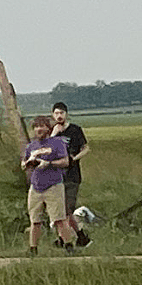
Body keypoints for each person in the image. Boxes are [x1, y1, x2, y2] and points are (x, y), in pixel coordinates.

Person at [21, 115, 77, 256]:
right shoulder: (31, 146)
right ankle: (33, 249)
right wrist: (27, 164)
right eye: (36, 127)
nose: (38, 129)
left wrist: (49, 163)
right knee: (35, 220)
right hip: (35, 187)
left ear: (48, 128)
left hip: (53, 186)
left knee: (59, 219)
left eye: (41, 126)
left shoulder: (57, 143)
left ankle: (69, 246)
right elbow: (23, 162)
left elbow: (65, 161)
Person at [50, 102, 92, 248]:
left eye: (61, 113)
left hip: (72, 176)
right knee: (59, 211)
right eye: (56, 113)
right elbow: (46, 149)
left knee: (67, 209)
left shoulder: (75, 130)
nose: (59, 116)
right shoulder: (52, 131)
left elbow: (86, 148)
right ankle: (75, 238)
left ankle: (73, 238)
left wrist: (75, 158)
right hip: (56, 176)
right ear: (52, 115)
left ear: (66, 114)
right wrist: (54, 134)